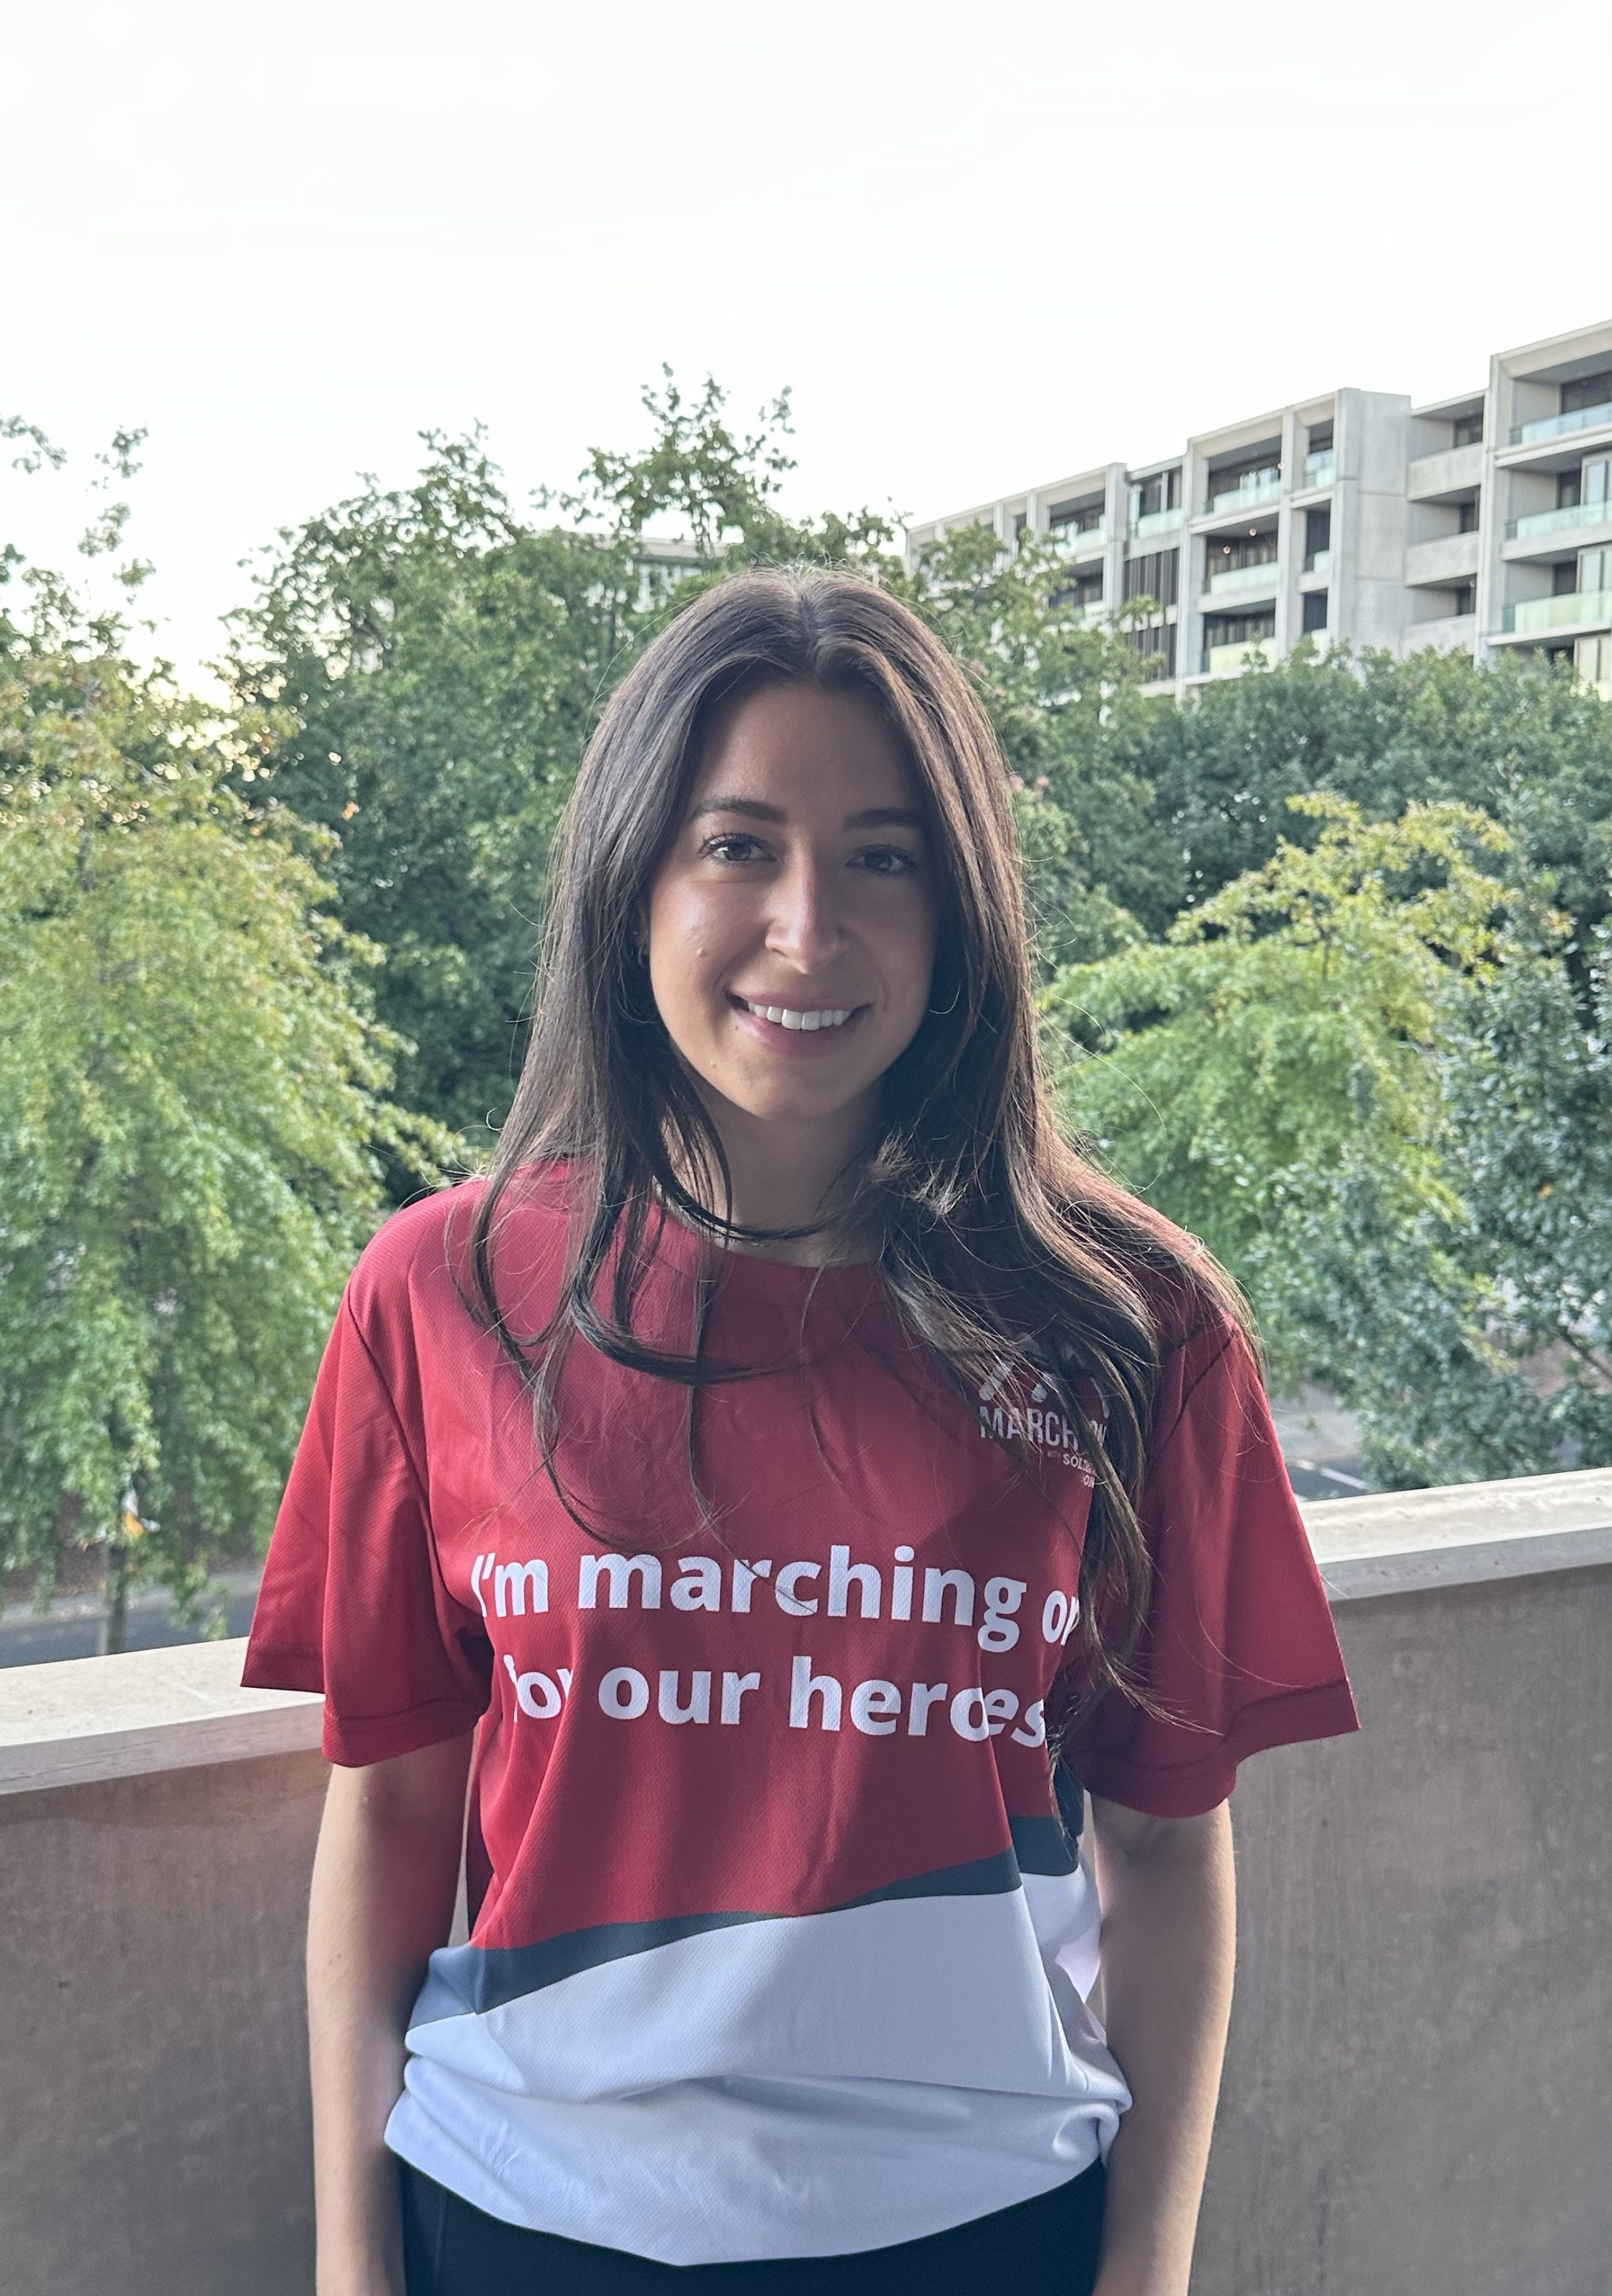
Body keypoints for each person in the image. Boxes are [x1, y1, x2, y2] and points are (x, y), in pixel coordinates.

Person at [242, 567, 1358, 2296]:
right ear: (633, 881)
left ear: (963, 908)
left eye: (884, 858)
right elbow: (390, 1814)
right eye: (738, 846)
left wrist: (1146, 2276)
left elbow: (1163, 1842)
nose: (809, 929)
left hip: (978, 2230)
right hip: (524, 2219)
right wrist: (350, 2264)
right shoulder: (440, 1293)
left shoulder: (1131, 1325)